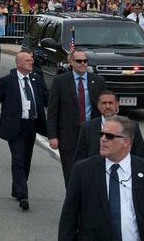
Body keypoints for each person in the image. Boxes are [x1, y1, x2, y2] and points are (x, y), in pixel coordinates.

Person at [58, 116, 144, 240]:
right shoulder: (83, 171)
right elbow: (68, 219)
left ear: (126, 142)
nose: (103, 139)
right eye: (101, 134)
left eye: (109, 136)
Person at [0, 52, 48, 211]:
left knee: (26, 160)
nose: (31, 62)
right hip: (14, 126)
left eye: (31, 60)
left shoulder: (36, 79)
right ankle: (23, 195)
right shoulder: (7, 81)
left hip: (31, 125)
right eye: (27, 60)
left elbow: (47, 99)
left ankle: (16, 188)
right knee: (17, 158)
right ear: (18, 64)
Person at [47, 49, 105, 186]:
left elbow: (104, 107)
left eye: (85, 61)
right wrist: (52, 136)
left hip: (91, 133)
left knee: (91, 171)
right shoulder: (60, 81)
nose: (83, 64)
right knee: (71, 172)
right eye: (79, 61)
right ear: (71, 62)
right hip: (68, 135)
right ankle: (72, 202)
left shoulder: (97, 81)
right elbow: (53, 110)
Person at [74, 91, 144, 162]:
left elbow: (142, 157)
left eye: (111, 103)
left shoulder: (131, 126)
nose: (107, 106)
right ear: (98, 106)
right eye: (104, 103)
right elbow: (80, 158)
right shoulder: (87, 128)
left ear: (117, 105)